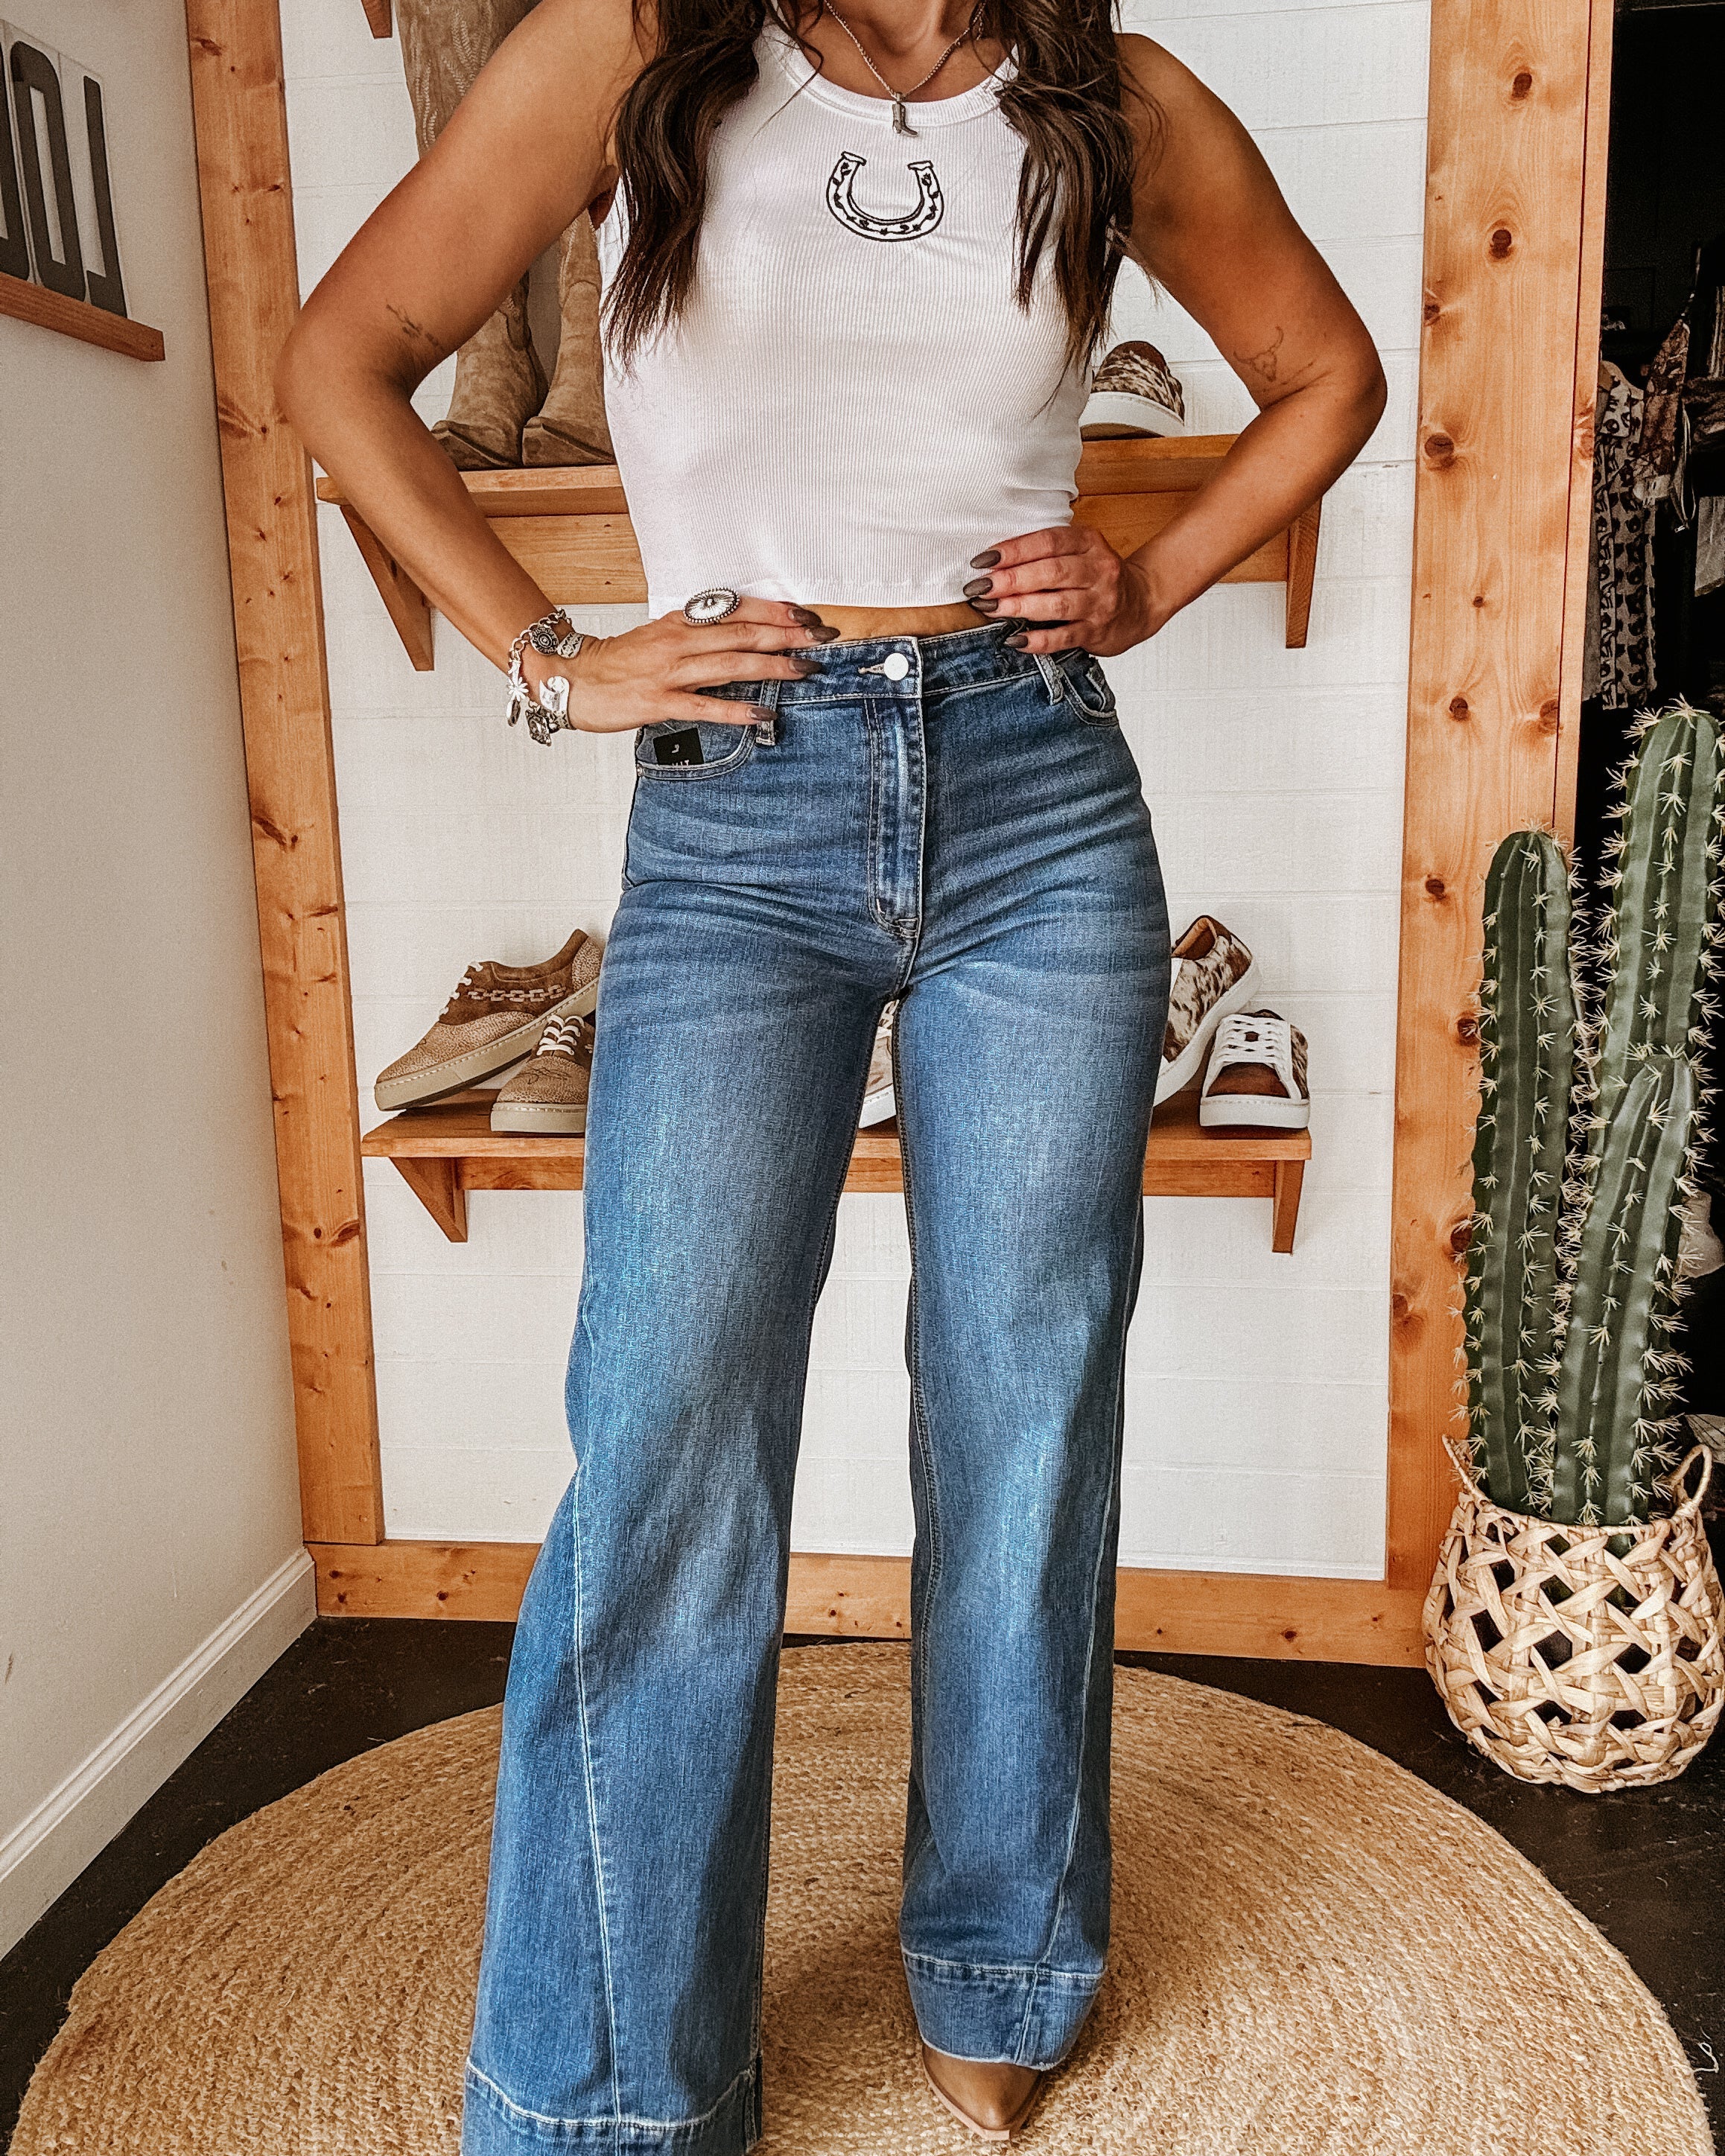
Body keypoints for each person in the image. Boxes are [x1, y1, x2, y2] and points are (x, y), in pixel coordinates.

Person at [277, 1, 1384, 2145]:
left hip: (1039, 804)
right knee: (669, 1422)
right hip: (736, 804)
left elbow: (1326, 378)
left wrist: (1142, 580)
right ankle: (612, 2081)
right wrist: (549, 659)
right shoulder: (629, 50)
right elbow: (342, 357)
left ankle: (1000, 1954)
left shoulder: (1112, 93)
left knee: (1024, 1402)